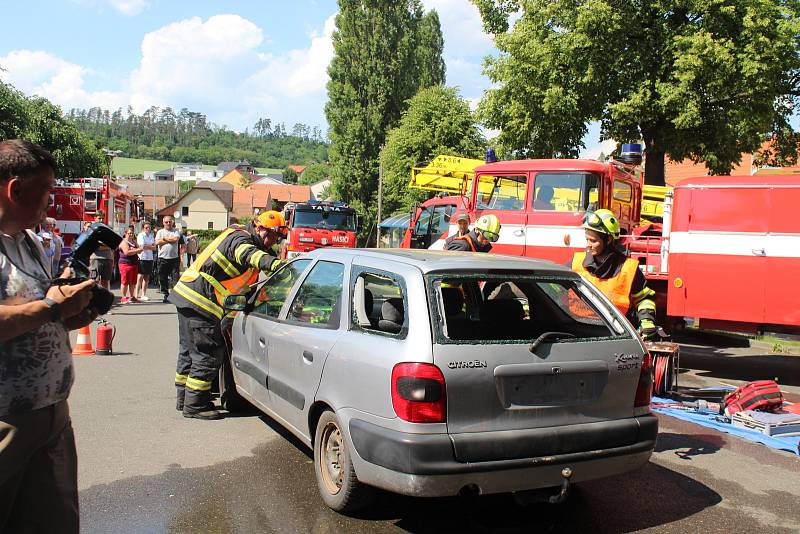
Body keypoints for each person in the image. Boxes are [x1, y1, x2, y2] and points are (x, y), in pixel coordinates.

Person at [0, 139, 98, 533]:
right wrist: (52, 308)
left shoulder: (29, 241)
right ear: (14, 190)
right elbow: (42, 308)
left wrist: (72, 314)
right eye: (46, 192)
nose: (50, 202)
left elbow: (41, 312)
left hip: (52, 415)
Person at [169, 210, 287, 420]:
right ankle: (195, 405)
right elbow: (249, 255)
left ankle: (184, 398)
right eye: (272, 236)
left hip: (187, 296)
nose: (273, 242)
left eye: (277, 238)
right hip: (200, 301)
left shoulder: (238, 235)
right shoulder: (241, 239)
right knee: (208, 352)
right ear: (259, 227)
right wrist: (276, 265)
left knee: (189, 351)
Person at [571, 209, 657, 338]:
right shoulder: (576, 263)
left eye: (593, 241)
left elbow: (644, 299)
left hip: (616, 336)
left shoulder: (628, 269)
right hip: (577, 332)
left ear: (609, 240)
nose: (588, 245)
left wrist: (647, 321)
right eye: (587, 239)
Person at [155, 215, 181, 303]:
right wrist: (169, 239)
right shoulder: (160, 232)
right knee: (162, 277)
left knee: (175, 278)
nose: (168, 223)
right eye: (166, 222)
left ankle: (174, 295)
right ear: (163, 223)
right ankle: (166, 293)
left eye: (170, 221)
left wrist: (164, 239)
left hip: (174, 259)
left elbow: (175, 239)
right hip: (163, 258)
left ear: (172, 222)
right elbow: (157, 242)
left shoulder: (176, 231)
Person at [88, 211, 113, 290]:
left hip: (108, 258)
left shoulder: (108, 228)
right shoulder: (91, 229)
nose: (101, 220)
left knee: (105, 281)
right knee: (94, 281)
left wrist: (102, 244)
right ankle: (94, 300)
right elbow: (94, 246)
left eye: (102, 218)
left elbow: (112, 244)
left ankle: (103, 300)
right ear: (95, 218)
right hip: (96, 258)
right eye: (99, 218)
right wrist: (105, 245)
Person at [117, 227, 142, 303]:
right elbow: (127, 252)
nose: (130, 235)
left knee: (133, 281)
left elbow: (140, 251)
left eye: (132, 233)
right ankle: (123, 297)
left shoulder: (134, 242)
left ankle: (132, 296)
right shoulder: (123, 242)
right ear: (125, 233)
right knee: (125, 281)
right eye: (129, 233)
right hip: (125, 264)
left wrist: (134, 250)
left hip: (134, 263)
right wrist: (136, 250)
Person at [135, 221, 156, 301]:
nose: (148, 229)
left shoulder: (151, 236)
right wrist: (149, 246)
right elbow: (142, 246)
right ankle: (136, 295)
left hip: (149, 258)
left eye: (149, 227)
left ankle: (143, 294)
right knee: (140, 276)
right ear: (143, 228)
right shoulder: (141, 235)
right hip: (142, 258)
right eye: (146, 227)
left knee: (146, 277)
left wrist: (148, 246)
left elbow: (154, 247)